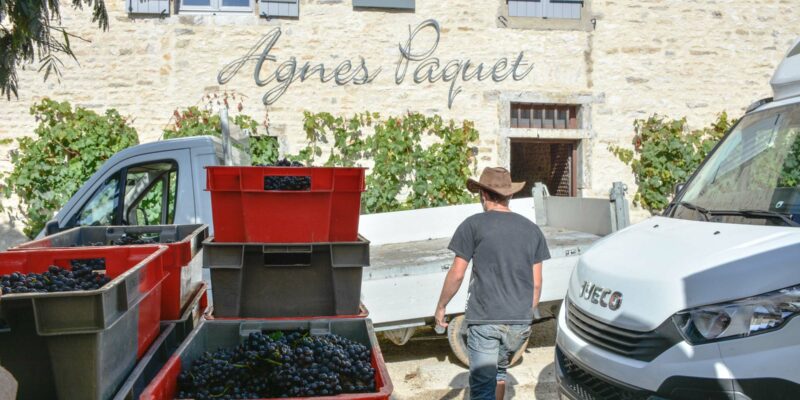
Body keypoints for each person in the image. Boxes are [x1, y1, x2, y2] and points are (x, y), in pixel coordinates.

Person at [434, 167, 550, 400]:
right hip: (519, 322)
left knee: (481, 390)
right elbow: (536, 284)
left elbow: (457, 273)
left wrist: (441, 306)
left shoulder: (473, 225)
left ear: (484, 195)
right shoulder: (532, 230)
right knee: (499, 372)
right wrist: (524, 313)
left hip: (486, 319)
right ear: (509, 196)